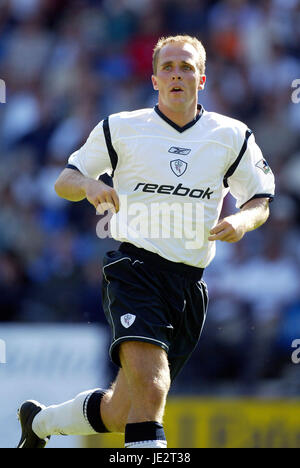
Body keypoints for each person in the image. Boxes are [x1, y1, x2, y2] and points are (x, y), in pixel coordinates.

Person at [17, 35, 275, 449]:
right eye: (168, 67)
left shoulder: (232, 135)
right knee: (153, 391)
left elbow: (261, 200)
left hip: (189, 285)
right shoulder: (121, 128)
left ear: (202, 78)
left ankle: (40, 424)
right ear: (154, 79)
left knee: (125, 411)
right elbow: (64, 179)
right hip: (134, 272)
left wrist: (242, 220)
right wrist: (88, 185)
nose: (177, 74)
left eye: (186, 67)